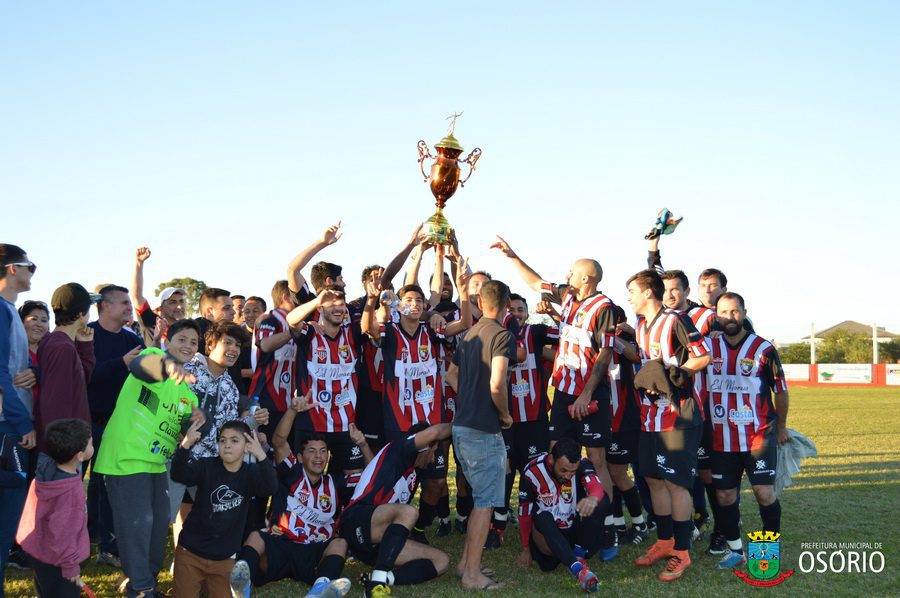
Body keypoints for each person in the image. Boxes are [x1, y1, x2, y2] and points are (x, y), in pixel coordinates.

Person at [491, 236, 619, 557]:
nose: (567, 275)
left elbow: (605, 355)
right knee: (555, 453)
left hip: (590, 393)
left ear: (586, 278)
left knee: (597, 459)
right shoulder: (569, 297)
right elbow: (536, 283)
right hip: (563, 393)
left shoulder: (605, 308)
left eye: (572, 272)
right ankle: (559, 514)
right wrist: (512, 255)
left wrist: (586, 393)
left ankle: (606, 526)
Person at [93, 319, 205, 598]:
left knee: (156, 530)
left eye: (193, 342)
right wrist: (166, 365)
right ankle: (140, 588)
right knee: (137, 528)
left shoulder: (186, 391)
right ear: (168, 341)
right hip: (126, 460)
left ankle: (147, 583)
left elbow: (189, 424)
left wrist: (201, 418)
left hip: (156, 465)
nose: (188, 345)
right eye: (182, 339)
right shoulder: (153, 355)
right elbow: (139, 367)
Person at [625, 270, 710, 582]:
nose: (629, 298)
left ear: (648, 292)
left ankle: (682, 551)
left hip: (678, 418)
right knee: (652, 478)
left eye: (632, 291)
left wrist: (676, 376)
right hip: (650, 417)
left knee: (676, 483)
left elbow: (703, 356)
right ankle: (664, 541)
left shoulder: (676, 320)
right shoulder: (641, 325)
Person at [230, 390, 354, 598]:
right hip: (281, 544)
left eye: (323, 451)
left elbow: (371, 477)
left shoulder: (336, 482)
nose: (318, 456)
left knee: (340, 543)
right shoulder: (291, 472)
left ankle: (319, 591)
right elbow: (279, 441)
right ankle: (242, 587)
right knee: (255, 537)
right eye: (312, 451)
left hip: (313, 551)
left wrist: (362, 443)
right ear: (300, 457)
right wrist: (292, 410)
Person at [705, 292, 790, 570]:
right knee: (725, 496)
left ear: (744, 312)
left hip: (758, 434)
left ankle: (767, 550)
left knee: (764, 493)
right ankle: (736, 551)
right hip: (721, 438)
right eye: (723, 312)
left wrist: (782, 427)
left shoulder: (763, 348)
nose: (730, 317)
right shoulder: (706, 348)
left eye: (735, 311)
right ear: (716, 315)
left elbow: (781, 391)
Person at [446, 279, 515, 591]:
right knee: (485, 503)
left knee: (479, 500)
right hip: (483, 430)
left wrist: (468, 398)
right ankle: (472, 575)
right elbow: (497, 383)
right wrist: (504, 414)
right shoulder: (502, 335)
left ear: (481, 303)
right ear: (506, 305)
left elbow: (451, 374)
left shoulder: (469, 334)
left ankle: (465, 564)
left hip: (461, 426)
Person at [339, 422, 452, 598]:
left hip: (375, 545)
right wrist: (463, 423)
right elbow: (436, 432)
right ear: (423, 447)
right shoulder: (399, 448)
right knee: (409, 512)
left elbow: (374, 472)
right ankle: (376, 585)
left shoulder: (411, 471)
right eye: (433, 452)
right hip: (355, 521)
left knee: (441, 561)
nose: (432, 459)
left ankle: (383, 578)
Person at [170, 419, 278, 598]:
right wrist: (186, 445)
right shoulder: (206, 466)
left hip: (225, 558)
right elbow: (178, 474)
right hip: (191, 553)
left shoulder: (250, 473)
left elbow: (270, 487)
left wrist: (261, 456)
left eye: (234, 440)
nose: (227, 445)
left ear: (247, 446)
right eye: (223, 440)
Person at [86, 284, 144, 567]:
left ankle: (107, 546)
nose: (129, 307)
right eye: (123, 303)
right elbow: (86, 374)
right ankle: (83, 538)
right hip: (87, 423)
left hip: (120, 427)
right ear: (105, 306)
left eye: (129, 303)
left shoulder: (132, 338)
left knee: (107, 485)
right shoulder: (86, 334)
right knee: (78, 484)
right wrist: (122, 362)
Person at [516, 438, 608, 592]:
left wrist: (592, 498)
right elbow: (524, 512)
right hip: (548, 536)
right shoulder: (532, 471)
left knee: (601, 500)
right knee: (542, 516)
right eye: (564, 470)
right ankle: (577, 566)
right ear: (551, 459)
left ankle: (578, 562)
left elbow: (596, 486)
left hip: (574, 532)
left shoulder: (582, 464)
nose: (568, 476)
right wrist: (526, 549)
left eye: (573, 472)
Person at [15, 418, 92, 598]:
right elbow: (64, 532)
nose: (93, 447)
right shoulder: (70, 492)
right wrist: (70, 567)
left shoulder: (45, 472)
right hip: (59, 562)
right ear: (80, 456)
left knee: (46, 590)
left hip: (38, 550)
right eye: (91, 444)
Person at [504, 293, 558, 531]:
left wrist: (552, 312)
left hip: (534, 418)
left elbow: (566, 334)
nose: (516, 313)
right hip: (505, 419)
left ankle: (539, 513)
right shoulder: (496, 334)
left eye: (520, 309)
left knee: (535, 468)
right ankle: (501, 516)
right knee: (505, 471)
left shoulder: (535, 332)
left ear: (526, 314)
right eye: (511, 309)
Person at [0, 245, 37, 577]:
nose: (32, 272)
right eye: (30, 266)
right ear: (13, 268)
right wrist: (23, 422)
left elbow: (15, 368)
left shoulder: (9, 310)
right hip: (7, 427)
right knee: (5, 521)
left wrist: (33, 371)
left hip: (10, 423)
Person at [35, 283, 98, 452]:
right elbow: (55, 402)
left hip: (63, 447)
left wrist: (85, 347)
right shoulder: (62, 347)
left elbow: (80, 383)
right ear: (80, 314)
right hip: (62, 452)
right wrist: (67, 451)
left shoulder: (57, 343)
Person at [248, 280, 301, 443]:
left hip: (288, 400)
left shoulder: (294, 321)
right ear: (286, 297)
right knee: (267, 448)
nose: (300, 300)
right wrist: (291, 333)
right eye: (296, 296)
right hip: (266, 397)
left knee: (284, 449)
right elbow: (265, 345)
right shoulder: (269, 318)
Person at [130, 247, 186, 347]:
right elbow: (136, 296)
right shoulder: (152, 322)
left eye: (181, 301)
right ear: (160, 308)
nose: (179, 306)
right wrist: (139, 263)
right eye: (173, 302)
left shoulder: (189, 329)